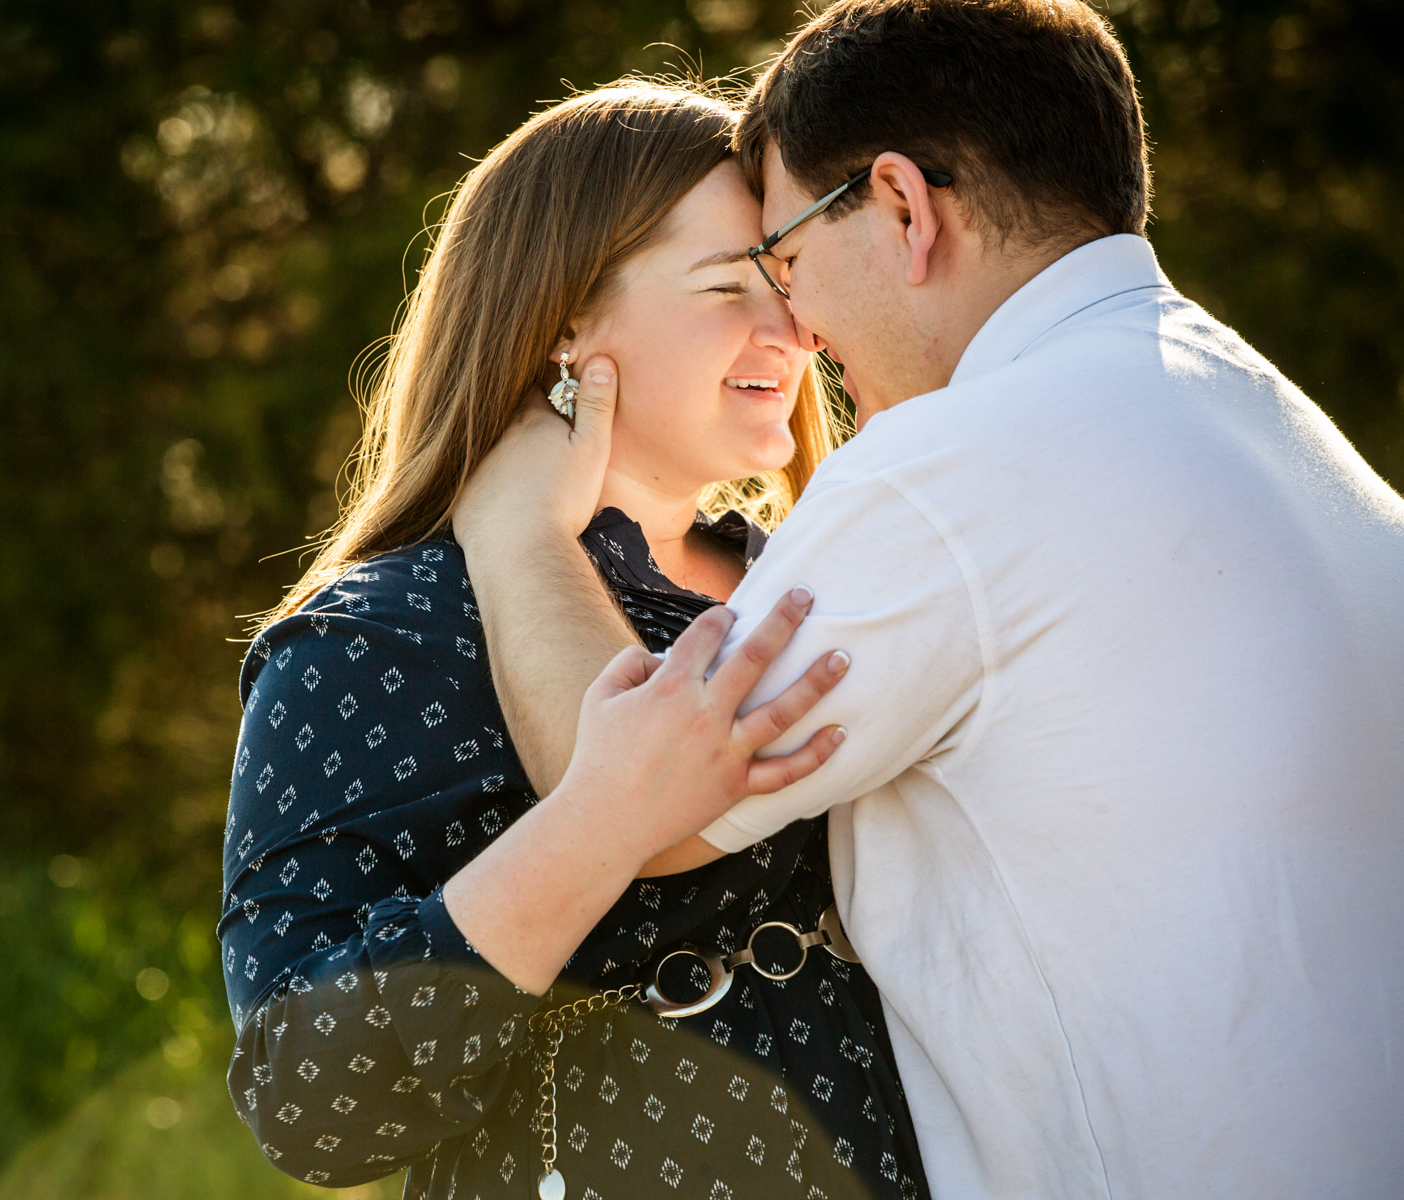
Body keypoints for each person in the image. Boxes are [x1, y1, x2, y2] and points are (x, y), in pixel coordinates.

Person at [454, 3, 1404, 1198]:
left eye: (788, 259)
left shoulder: (948, 475)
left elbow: (642, 798)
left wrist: (519, 536)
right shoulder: (1285, 432)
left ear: (903, 208)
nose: (796, 329)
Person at [220, 82, 933, 1198]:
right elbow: (310, 1099)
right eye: (725, 287)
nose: (790, 330)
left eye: (786, 282)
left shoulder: (824, 577)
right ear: (563, 319)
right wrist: (598, 826)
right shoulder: (380, 634)